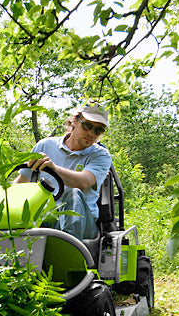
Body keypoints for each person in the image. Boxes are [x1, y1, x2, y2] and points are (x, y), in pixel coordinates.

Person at [14, 103, 113, 240]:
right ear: (74, 121)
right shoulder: (45, 146)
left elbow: (83, 182)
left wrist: (54, 169)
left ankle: (69, 251)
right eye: (87, 126)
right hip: (46, 219)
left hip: (84, 225)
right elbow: (20, 183)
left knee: (73, 193)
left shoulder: (101, 155)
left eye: (98, 130)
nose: (91, 134)